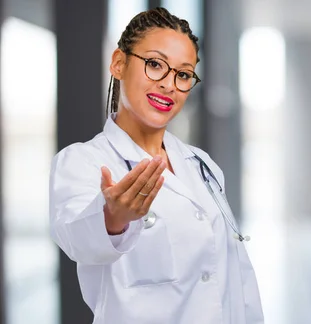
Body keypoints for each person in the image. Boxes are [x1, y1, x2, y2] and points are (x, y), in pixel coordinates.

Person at [49, 7, 263, 324]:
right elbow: (75, 238)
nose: (168, 84)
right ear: (119, 63)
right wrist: (112, 219)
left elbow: (235, 274)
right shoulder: (83, 161)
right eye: (154, 65)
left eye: (183, 74)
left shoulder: (202, 165)